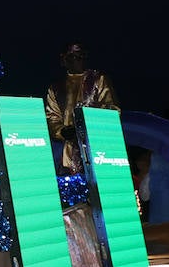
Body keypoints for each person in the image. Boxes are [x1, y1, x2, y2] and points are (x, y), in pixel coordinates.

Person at [44, 41, 120, 173]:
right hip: (69, 153)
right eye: (73, 57)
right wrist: (62, 131)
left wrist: (88, 128)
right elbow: (52, 118)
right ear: (64, 60)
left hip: (98, 148)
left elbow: (112, 110)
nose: (79, 60)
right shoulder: (56, 88)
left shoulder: (99, 79)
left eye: (82, 56)